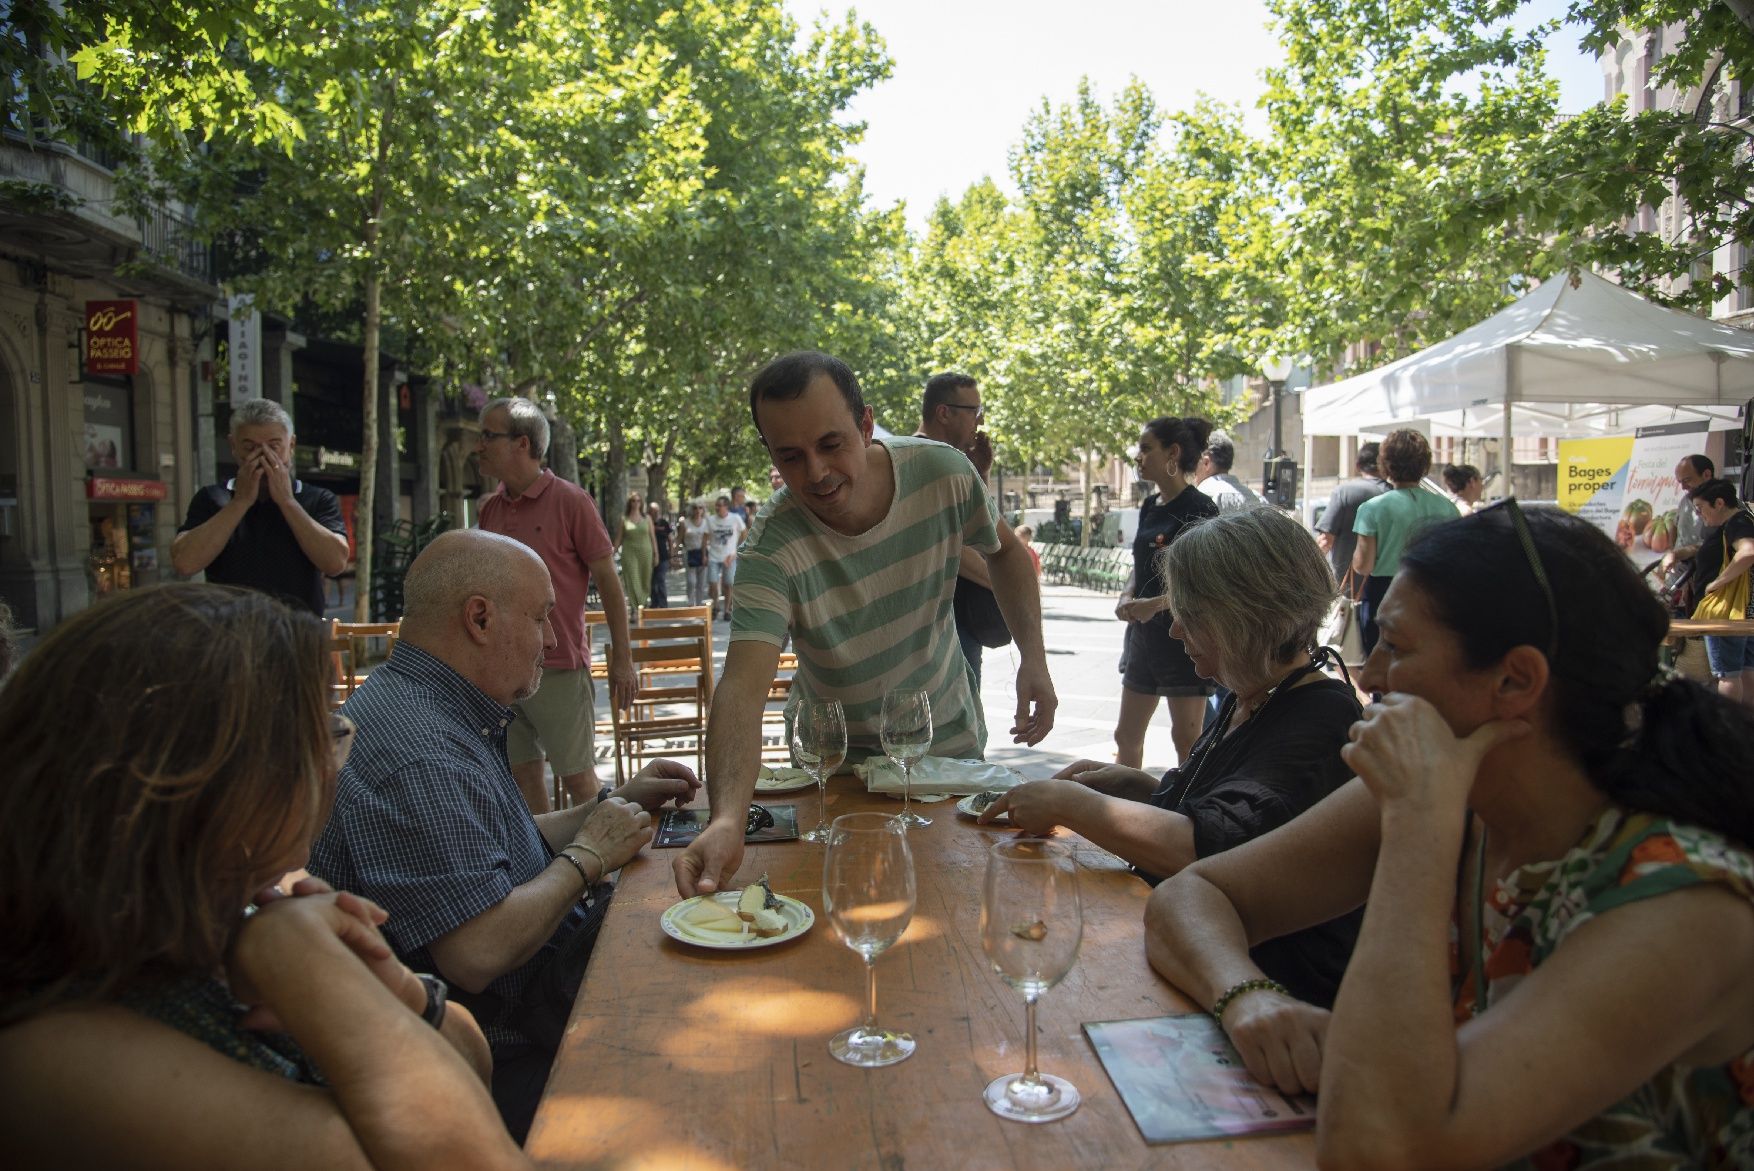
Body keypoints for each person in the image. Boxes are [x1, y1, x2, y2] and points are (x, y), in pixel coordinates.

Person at [1143, 504, 1754, 1169]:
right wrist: (1246, 994)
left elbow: (1376, 1145)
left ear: (1515, 680)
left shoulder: (1682, 900)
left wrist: (1415, 826)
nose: (1368, 675)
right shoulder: (1458, 793)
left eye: (1396, 647)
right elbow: (1191, 895)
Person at [0, 584, 528, 1169]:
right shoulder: (63, 1057)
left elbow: (473, 1065)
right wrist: (323, 980)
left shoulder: (226, 917)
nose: (334, 752)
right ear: (208, 782)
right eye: (313, 730)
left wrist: (401, 992)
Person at [308, 530, 698, 1142]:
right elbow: (477, 952)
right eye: (543, 616)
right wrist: (589, 856)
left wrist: (613, 802)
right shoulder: (420, 750)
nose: (552, 638)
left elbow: (492, 847)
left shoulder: (423, 702)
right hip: (501, 1056)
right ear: (480, 618)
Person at [673, 350, 1056, 898]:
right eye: (791, 457)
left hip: (944, 756)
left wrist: (1034, 660)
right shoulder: (770, 547)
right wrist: (728, 819)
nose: (817, 473)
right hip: (837, 775)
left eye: (831, 445)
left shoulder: (944, 472)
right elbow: (740, 690)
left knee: (959, 929)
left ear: (866, 424)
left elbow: (1007, 555)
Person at [982, 508, 1362, 1005]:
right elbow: (1226, 806)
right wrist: (1141, 787)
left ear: (1246, 615)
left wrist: (1071, 804)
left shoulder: (1320, 718)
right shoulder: (1258, 693)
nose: (1177, 631)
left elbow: (1211, 849)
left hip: (1275, 1000)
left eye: (1192, 615)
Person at [476, 397, 637, 812]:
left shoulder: (571, 501)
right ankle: (548, 871)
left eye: (488, 436)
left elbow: (610, 583)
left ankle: (610, 869)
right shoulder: (490, 509)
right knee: (522, 777)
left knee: (580, 780)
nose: (479, 445)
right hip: (501, 671)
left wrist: (623, 659)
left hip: (559, 665)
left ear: (522, 444)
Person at [171, 399, 349, 615]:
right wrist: (240, 502)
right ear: (234, 446)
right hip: (232, 634)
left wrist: (288, 502)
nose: (263, 457)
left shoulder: (318, 498)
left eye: (274, 447)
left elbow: (335, 563)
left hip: (299, 634)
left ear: (291, 445)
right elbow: (184, 563)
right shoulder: (212, 498)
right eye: (250, 448)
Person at [1113, 415, 1219, 767]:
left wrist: (1156, 605)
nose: (1138, 457)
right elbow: (1141, 566)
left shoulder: (1200, 508)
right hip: (1143, 639)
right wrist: (1128, 597)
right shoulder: (1148, 505)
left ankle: (1187, 812)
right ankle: (1119, 809)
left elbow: (1206, 584)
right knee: (1126, 736)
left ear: (1172, 453)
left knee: (1187, 739)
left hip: (1184, 640)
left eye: (1146, 449)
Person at [916, 371, 1011, 688]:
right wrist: (1002, 582)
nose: (980, 423)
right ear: (944, 412)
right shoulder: (930, 461)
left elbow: (977, 530)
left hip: (956, 621)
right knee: (960, 725)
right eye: (975, 412)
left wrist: (981, 474)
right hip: (941, 624)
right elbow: (948, 547)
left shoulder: (952, 461)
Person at [1350, 429, 1455, 655]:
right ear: (1424, 464)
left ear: (1385, 463)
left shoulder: (1372, 509)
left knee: (1383, 668)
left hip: (1384, 594)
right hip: (1431, 593)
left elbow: (1363, 565)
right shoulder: (1447, 507)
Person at [1686, 478, 1754, 706]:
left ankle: (1727, 727)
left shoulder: (1737, 522)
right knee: (1745, 672)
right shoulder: (1745, 519)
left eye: (1700, 509)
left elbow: (1748, 553)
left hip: (1730, 611)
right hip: (1745, 613)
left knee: (1728, 675)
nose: (1700, 515)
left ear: (1718, 503)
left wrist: (1717, 583)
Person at [1313, 441, 1387, 585]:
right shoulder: (1397, 494)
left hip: (1349, 588)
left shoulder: (1345, 492)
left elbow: (1325, 541)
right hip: (1391, 588)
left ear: (1358, 465)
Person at [1194, 431, 1264, 513]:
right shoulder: (1254, 498)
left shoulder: (1198, 498)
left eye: (1193, 463)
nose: (1192, 470)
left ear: (1206, 463)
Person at [704, 494, 746, 621]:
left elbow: (745, 534)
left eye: (719, 505)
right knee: (712, 583)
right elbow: (705, 537)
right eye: (716, 505)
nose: (717, 508)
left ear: (726, 507)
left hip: (730, 557)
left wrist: (737, 551)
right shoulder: (710, 520)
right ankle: (716, 605)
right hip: (713, 556)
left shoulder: (735, 518)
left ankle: (727, 610)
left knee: (728, 584)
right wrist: (703, 554)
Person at [616, 493, 654, 622]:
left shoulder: (647, 518)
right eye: (633, 500)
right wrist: (610, 554)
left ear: (641, 503)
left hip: (645, 553)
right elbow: (618, 540)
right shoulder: (624, 519)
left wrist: (657, 554)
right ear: (629, 503)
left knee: (644, 581)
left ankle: (642, 606)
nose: (636, 503)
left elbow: (653, 538)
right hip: (629, 553)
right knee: (632, 579)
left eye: (638, 500)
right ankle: (634, 609)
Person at [678, 502, 709, 606]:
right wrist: (674, 554)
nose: (698, 510)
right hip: (689, 553)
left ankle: (699, 604)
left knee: (701, 582)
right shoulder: (685, 523)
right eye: (695, 508)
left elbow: (710, 539)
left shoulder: (706, 523)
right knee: (691, 581)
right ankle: (690, 602)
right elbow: (679, 539)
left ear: (703, 510)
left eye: (700, 507)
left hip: (703, 553)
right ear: (691, 510)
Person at [648, 501, 674, 609]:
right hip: (649, 557)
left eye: (657, 511)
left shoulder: (664, 523)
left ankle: (663, 604)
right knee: (652, 581)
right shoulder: (647, 523)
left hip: (663, 556)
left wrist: (671, 553)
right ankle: (654, 603)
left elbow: (670, 538)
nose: (655, 513)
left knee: (660, 579)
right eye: (653, 511)